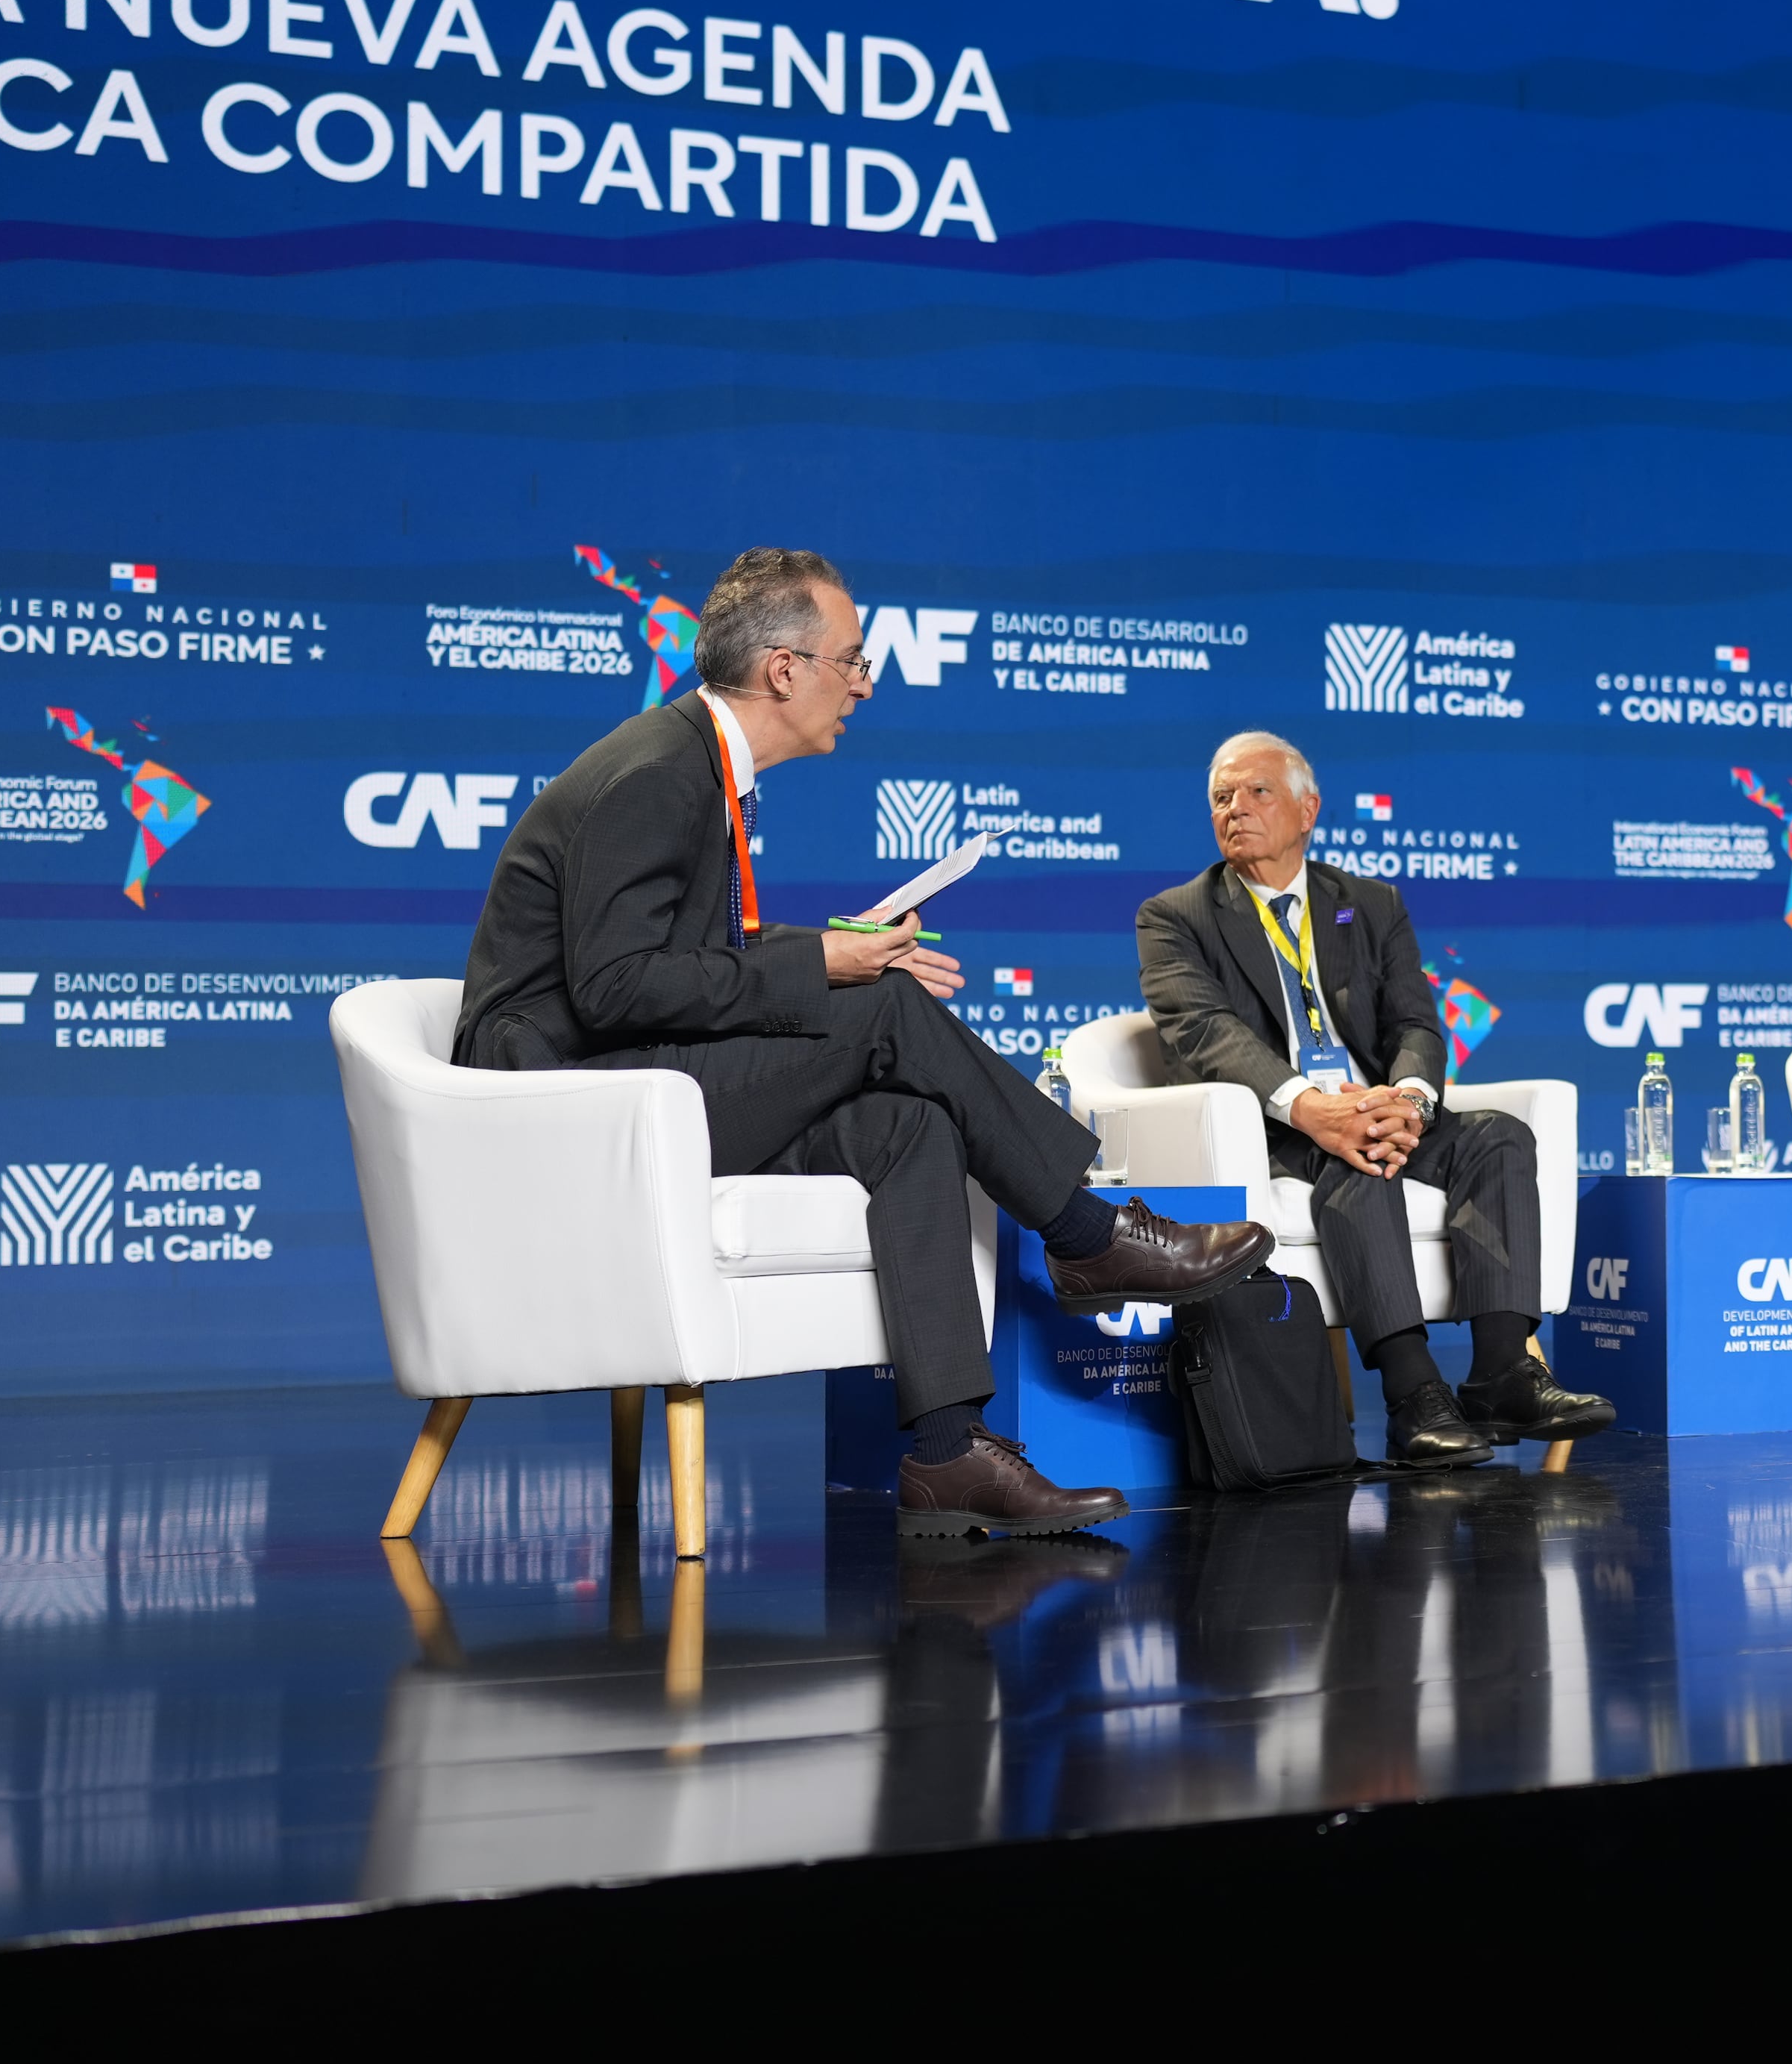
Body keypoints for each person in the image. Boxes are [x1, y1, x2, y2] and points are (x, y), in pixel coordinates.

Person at [452, 548, 1274, 1538]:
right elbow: (616, 984)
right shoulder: (658, 775)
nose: (864, 684)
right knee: (883, 1011)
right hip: (574, 1107)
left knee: (906, 1123)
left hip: (639, 1088)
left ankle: (946, 1453)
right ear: (785, 670)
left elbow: (680, 960)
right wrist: (831, 972)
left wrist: (839, 948)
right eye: (851, 660)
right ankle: (1087, 1234)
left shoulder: (691, 764)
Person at [1136, 732, 1609, 1469]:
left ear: (1306, 809)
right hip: (1273, 1125)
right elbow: (1204, 1032)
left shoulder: (1369, 903)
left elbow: (1416, 1023)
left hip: (1379, 1106)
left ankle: (1502, 1375)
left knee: (1500, 1137)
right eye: (1221, 798)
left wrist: (1410, 1103)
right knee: (1359, 1162)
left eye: (1257, 792)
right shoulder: (1176, 916)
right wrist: (1308, 1107)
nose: (1236, 809)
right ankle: (1412, 1395)